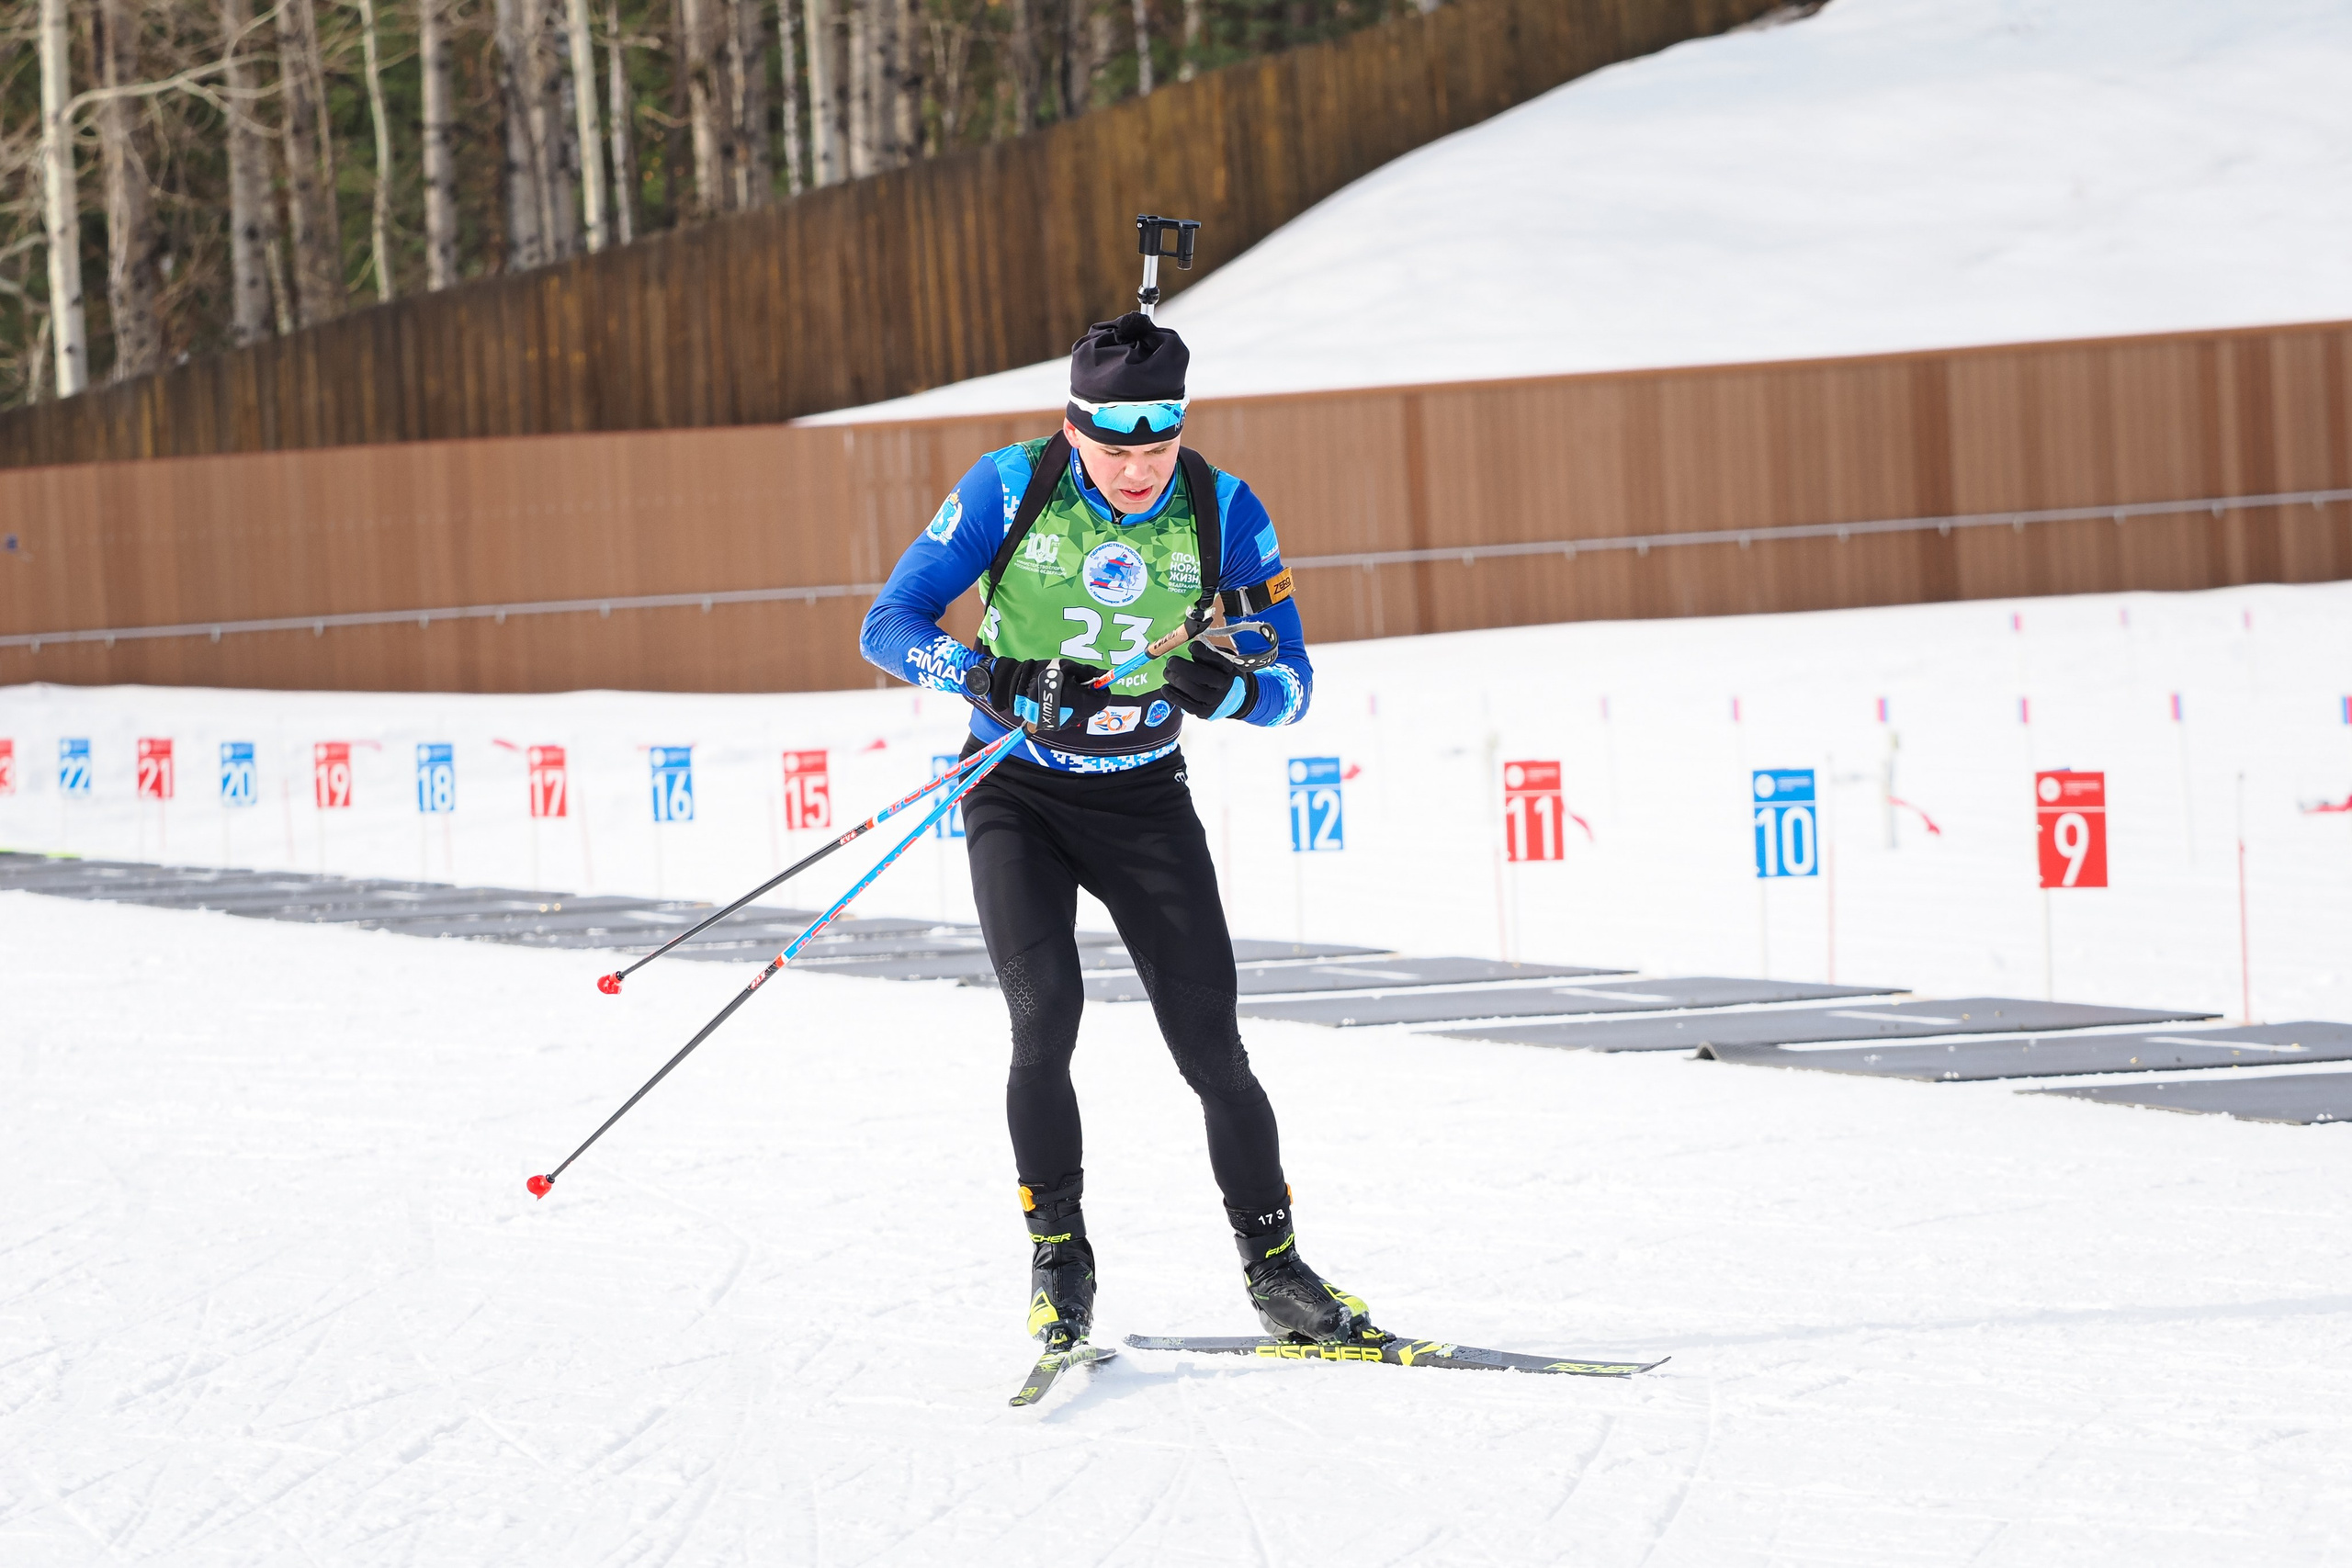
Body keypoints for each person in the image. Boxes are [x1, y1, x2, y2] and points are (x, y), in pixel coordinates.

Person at [859, 310, 1368, 1352]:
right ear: (1072, 428)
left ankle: (1276, 1271)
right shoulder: (1009, 486)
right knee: (1044, 1017)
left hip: (1144, 800)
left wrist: (1232, 693)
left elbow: (1293, 684)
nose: (1138, 471)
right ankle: (1060, 1263)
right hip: (1017, 792)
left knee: (1212, 1046)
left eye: (1159, 448)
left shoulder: (1223, 509)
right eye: (1114, 450)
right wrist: (992, 677)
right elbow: (889, 625)